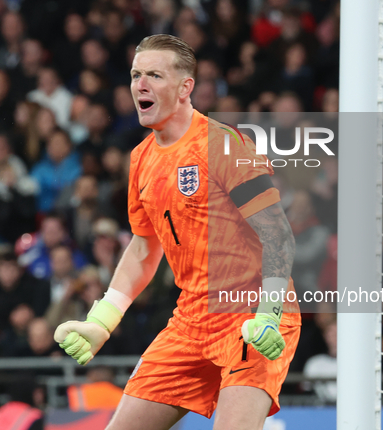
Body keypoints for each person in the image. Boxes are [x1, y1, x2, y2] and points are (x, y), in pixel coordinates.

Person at [55, 34, 301, 430]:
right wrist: (101, 321)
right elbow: (142, 249)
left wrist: (269, 314)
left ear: (186, 87)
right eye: (136, 75)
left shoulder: (224, 145)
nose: (141, 85)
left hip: (251, 317)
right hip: (190, 321)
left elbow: (278, 235)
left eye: (155, 75)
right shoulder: (140, 159)